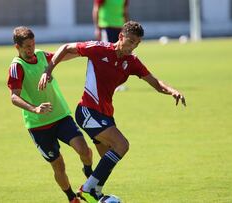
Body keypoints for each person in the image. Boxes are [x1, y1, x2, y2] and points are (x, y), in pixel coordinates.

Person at [38, 21, 186, 203]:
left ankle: (95, 191)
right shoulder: (99, 48)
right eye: (130, 41)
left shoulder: (132, 62)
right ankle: (88, 189)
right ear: (121, 37)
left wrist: (172, 90)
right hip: (87, 111)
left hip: (106, 114)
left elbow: (155, 82)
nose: (132, 47)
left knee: (107, 157)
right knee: (122, 145)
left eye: (136, 44)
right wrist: (48, 70)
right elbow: (67, 47)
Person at [7, 26, 94, 203]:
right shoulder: (17, 67)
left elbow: (61, 56)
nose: (31, 49)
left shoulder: (40, 55)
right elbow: (14, 97)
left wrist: (84, 52)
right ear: (18, 47)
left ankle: (88, 171)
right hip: (38, 126)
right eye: (27, 47)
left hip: (60, 116)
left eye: (33, 44)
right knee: (58, 165)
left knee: (84, 150)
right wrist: (35, 108)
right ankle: (71, 197)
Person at [93, 0, 129, 92]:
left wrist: (127, 28)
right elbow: (96, 9)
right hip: (106, 27)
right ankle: (105, 83)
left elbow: (125, 11)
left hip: (120, 28)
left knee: (121, 55)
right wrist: (97, 28)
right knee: (108, 56)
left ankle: (117, 83)